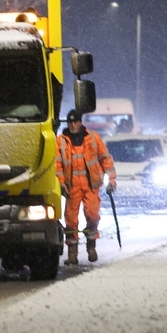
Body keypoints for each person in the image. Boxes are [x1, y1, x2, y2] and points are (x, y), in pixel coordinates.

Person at [56, 109, 116, 264]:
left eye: (75, 122)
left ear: (80, 122)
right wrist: (61, 184)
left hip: (91, 186)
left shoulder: (93, 138)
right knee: (70, 220)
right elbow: (57, 165)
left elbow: (105, 159)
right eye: (70, 122)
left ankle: (91, 246)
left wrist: (112, 180)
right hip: (72, 187)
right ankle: (72, 254)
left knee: (93, 215)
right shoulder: (61, 141)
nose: (72, 125)